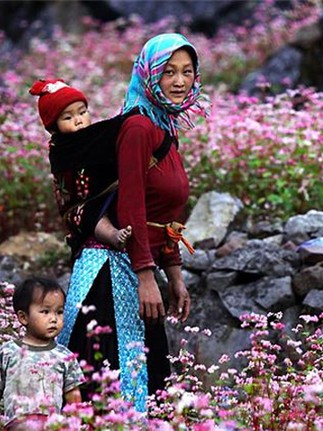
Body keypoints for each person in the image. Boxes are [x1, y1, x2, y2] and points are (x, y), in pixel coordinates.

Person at [58, 32, 209, 411]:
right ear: (148, 75)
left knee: (145, 375)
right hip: (112, 272)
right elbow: (132, 206)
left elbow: (163, 212)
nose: (178, 81)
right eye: (168, 71)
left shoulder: (164, 126)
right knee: (114, 383)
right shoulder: (139, 128)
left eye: (187, 72)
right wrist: (146, 275)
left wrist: (173, 273)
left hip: (137, 262)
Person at [29, 79, 133, 253]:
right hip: (80, 204)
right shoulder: (61, 148)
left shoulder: (93, 135)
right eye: (68, 117)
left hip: (108, 192)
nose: (78, 120)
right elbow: (110, 130)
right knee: (92, 217)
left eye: (82, 112)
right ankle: (114, 236)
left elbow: (112, 128)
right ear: (54, 127)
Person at [0, 277, 83, 430]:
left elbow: (73, 394)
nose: (54, 319)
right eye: (45, 311)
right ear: (23, 317)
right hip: (16, 425)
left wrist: (74, 422)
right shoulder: (9, 351)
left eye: (59, 312)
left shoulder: (65, 356)